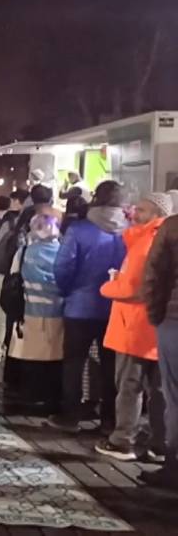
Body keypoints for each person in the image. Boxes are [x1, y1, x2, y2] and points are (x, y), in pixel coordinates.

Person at [94, 193, 172, 462]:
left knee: (129, 385)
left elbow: (134, 287)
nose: (133, 213)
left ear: (155, 214)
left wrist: (107, 286)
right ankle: (160, 444)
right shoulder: (160, 240)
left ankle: (122, 440)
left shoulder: (146, 243)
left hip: (135, 326)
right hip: (157, 328)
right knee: (159, 390)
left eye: (140, 209)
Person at [49, 181, 127, 433]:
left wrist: (67, 290)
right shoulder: (130, 232)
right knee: (110, 365)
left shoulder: (80, 230)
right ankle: (108, 419)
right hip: (116, 307)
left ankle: (69, 415)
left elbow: (63, 267)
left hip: (80, 306)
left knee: (74, 362)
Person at [5, 213, 65, 413]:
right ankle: (50, 396)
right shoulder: (63, 253)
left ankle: (30, 394)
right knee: (54, 355)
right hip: (57, 311)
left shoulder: (24, 253)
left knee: (31, 355)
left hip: (29, 310)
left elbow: (14, 278)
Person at [142, 208, 178, 488]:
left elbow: (154, 275)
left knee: (174, 395)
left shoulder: (172, 228)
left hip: (174, 321)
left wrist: (156, 316)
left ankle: (173, 463)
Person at [0, 190, 28, 362]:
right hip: (25, 274)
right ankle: (12, 350)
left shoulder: (9, 223)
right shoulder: (31, 221)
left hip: (6, 273)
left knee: (1, 314)